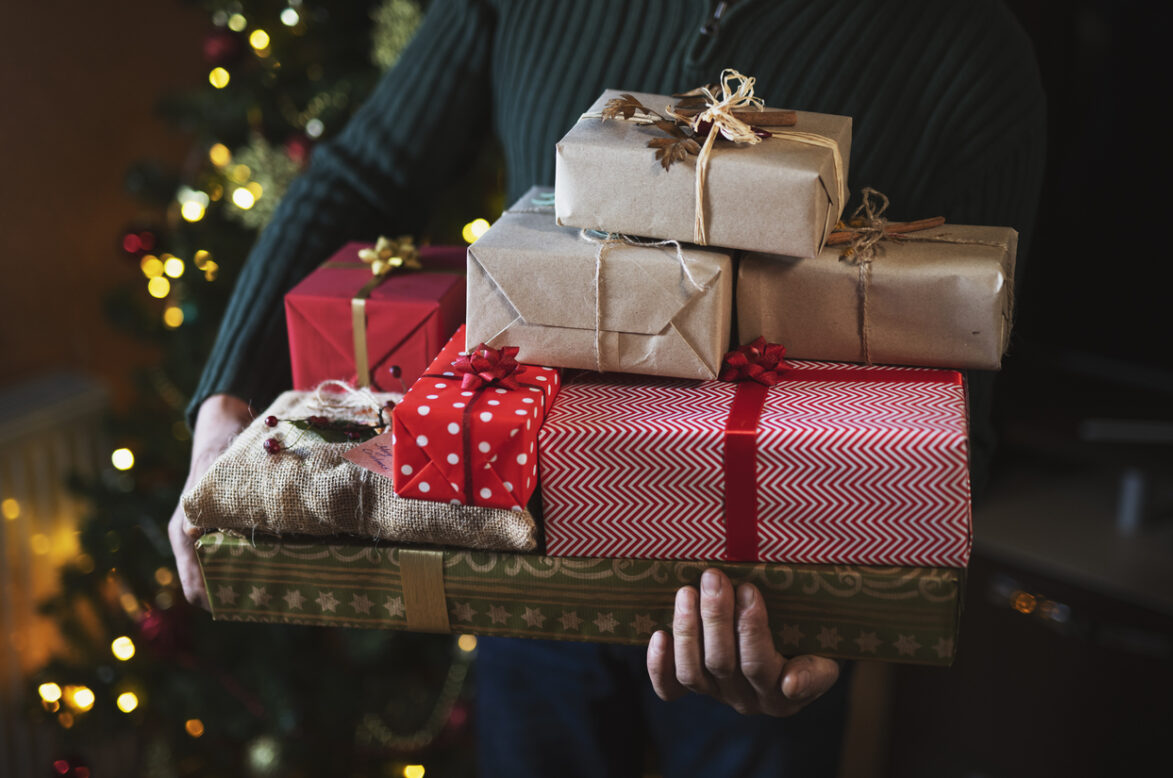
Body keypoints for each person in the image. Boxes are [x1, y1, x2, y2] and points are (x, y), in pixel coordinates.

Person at [169, 1, 1045, 775]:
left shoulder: (968, 45)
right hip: (526, 538)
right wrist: (224, 407)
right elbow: (365, 173)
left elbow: (961, 407)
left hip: (769, 595)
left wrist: (847, 622)